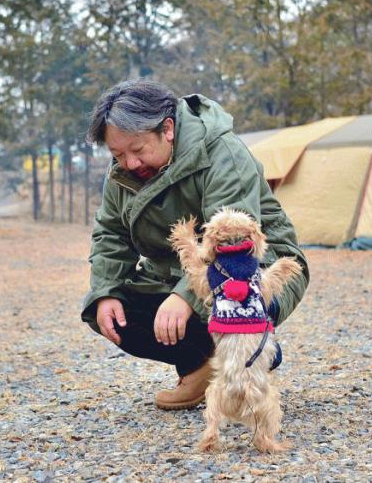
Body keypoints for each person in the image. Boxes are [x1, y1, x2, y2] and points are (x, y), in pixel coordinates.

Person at [81, 79, 309, 410]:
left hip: (255, 263)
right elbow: (110, 233)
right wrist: (106, 291)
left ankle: (248, 347)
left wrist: (184, 296)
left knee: (234, 291)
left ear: (168, 129)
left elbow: (233, 240)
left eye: (138, 150)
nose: (129, 163)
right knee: (111, 312)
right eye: (117, 154)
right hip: (175, 270)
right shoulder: (124, 171)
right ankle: (203, 365)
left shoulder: (223, 153)